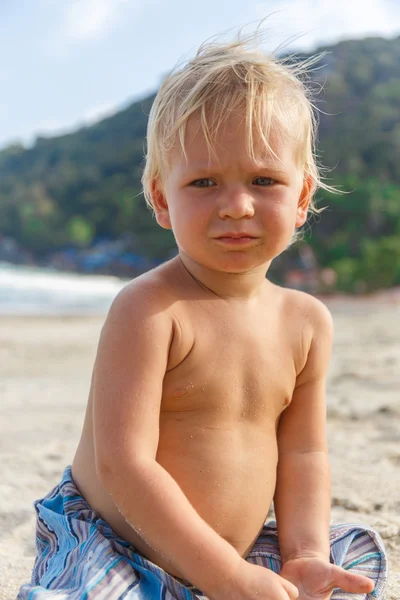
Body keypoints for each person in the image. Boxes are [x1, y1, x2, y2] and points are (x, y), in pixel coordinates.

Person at [18, 29, 388, 600]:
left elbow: (304, 453)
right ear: (163, 199)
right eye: (203, 182)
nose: (236, 205)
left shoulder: (307, 323)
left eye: (264, 180)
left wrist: (305, 553)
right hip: (118, 542)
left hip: (235, 554)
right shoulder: (150, 309)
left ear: (302, 197)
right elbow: (124, 465)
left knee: (351, 556)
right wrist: (227, 578)